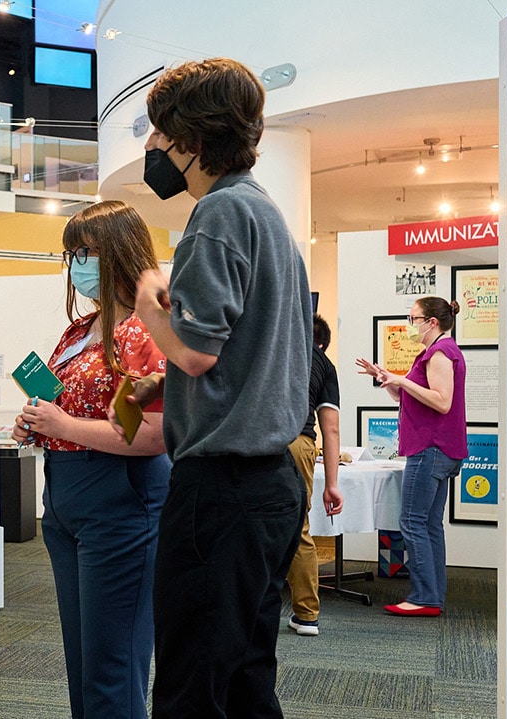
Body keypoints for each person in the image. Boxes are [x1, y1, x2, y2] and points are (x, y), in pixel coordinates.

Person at [125, 57, 312, 718]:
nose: (151, 148)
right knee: (245, 676)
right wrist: (163, 380)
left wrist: (150, 306)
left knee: (191, 682)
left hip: (222, 495)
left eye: (158, 133)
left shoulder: (217, 216)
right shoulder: (266, 216)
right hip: (270, 486)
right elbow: (236, 358)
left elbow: (200, 353)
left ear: (192, 139)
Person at [11, 201, 170, 719]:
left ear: (119, 253)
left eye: (86, 251)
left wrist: (64, 427)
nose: (76, 263)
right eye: (71, 253)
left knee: (112, 666)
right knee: (83, 661)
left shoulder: (147, 331)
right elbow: (59, 402)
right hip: (64, 501)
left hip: (120, 499)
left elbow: (151, 435)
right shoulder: (82, 329)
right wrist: (37, 420)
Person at [355, 297, 467, 617]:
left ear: (432, 322)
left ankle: (424, 596)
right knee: (429, 524)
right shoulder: (436, 352)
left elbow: (442, 402)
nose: (411, 325)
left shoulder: (440, 353)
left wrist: (401, 379)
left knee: (413, 521)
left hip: (429, 449)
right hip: (436, 448)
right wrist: (387, 378)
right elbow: (411, 398)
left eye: (414, 319)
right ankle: (431, 594)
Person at [285, 314, 345, 637]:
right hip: (299, 443)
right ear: (322, 343)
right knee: (299, 527)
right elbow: (330, 428)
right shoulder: (324, 364)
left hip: (259, 439)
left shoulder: (274, 343)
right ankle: (307, 615)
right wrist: (332, 484)